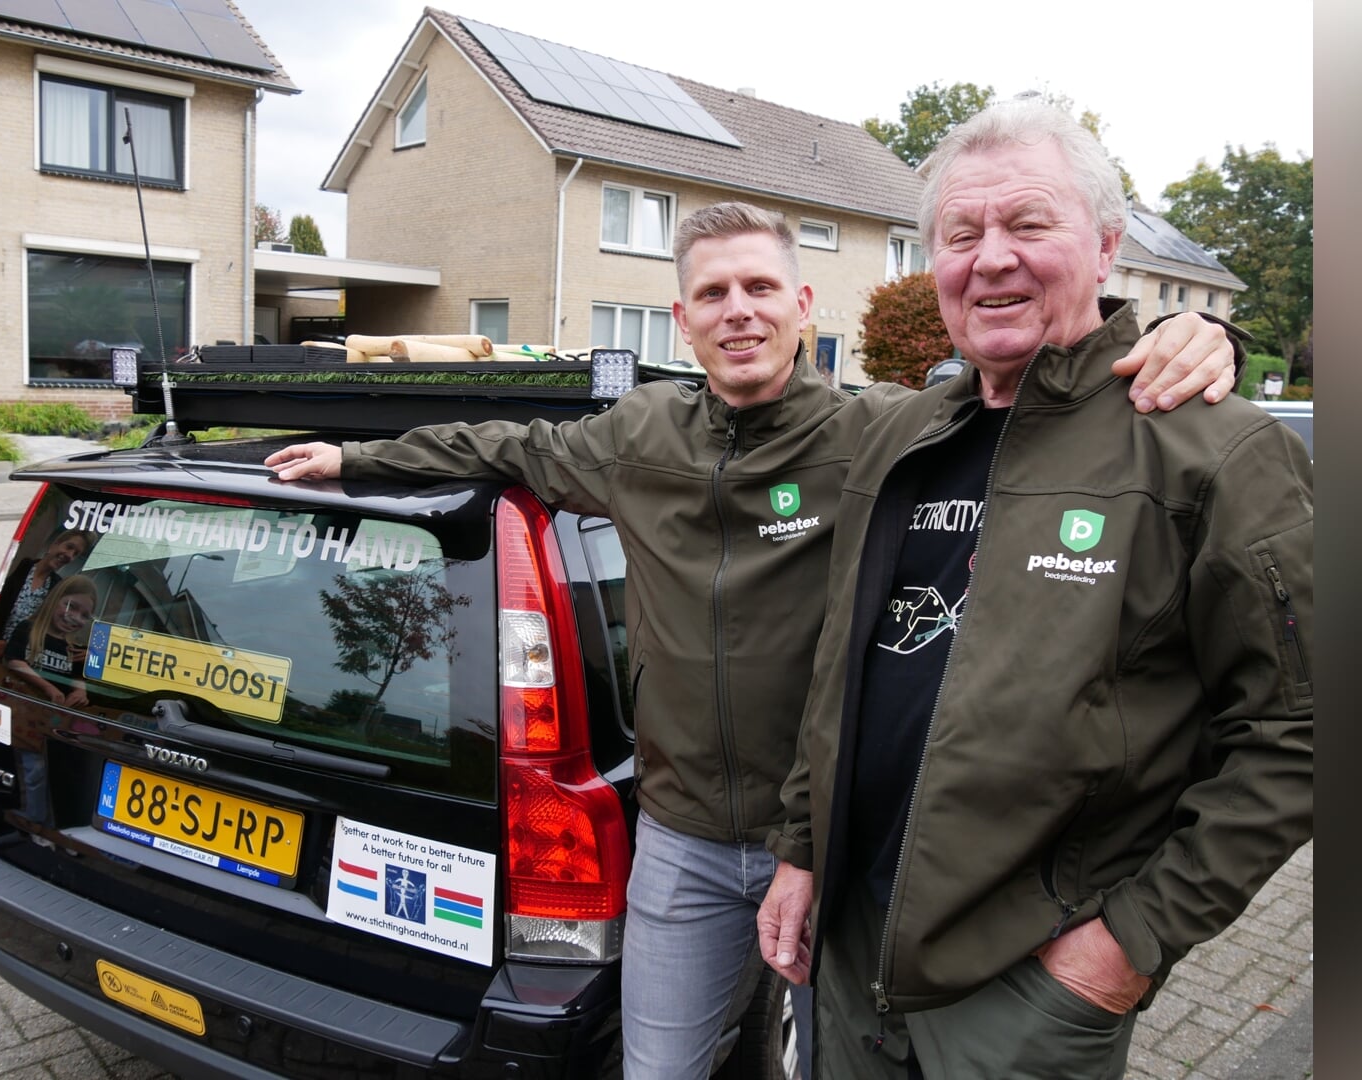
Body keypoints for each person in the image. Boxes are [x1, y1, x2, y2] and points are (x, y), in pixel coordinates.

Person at [263, 202, 1241, 1078]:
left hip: (833, 849)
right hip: (681, 842)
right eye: (714, 293)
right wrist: (353, 458)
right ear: (683, 319)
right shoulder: (637, 436)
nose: (740, 309)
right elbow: (506, 446)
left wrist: (1202, 334)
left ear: (802, 302)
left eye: (761, 287)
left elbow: (1041, 409)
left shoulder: (882, 436)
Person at [756, 101, 1314, 1079]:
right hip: (849, 954)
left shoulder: (1210, 449)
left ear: (1104, 247)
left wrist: (1127, 945)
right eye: (961, 235)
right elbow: (842, 671)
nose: (992, 258)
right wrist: (802, 850)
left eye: (1028, 224)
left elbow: (1302, 732)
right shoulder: (897, 436)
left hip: (1023, 988)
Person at [0, 528, 91, 661]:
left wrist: (88, 652)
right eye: (69, 547)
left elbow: (58, 629)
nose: (70, 555)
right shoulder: (21, 567)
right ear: (55, 544)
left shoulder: (56, 587)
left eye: (75, 554)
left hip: (21, 661)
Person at [6, 574, 98, 709]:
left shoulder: (75, 648)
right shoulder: (28, 629)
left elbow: (77, 678)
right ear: (54, 600)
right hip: (18, 705)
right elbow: (14, 661)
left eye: (85, 615)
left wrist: (80, 692)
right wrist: (48, 688)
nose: (76, 617)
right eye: (71, 606)